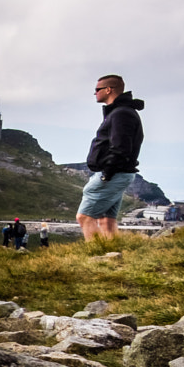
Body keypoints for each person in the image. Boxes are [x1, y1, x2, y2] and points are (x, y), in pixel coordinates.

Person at [77, 73, 145, 241]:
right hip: (119, 173)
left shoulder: (121, 114)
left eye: (97, 89)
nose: (95, 93)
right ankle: (112, 253)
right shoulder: (121, 112)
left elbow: (121, 147)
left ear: (108, 90)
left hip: (113, 174)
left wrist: (107, 173)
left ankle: (96, 255)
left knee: (85, 217)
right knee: (106, 220)